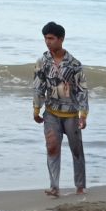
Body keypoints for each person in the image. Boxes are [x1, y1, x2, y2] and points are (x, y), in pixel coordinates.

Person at [32, 21, 89, 197]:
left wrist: (83, 114)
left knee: (76, 150)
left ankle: (80, 186)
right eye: (45, 38)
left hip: (71, 114)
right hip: (51, 113)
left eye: (51, 38)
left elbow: (82, 89)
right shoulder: (42, 61)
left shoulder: (74, 64)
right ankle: (54, 187)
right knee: (52, 147)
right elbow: (38, 86)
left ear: (61, 39)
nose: (47, 42)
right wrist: (36, 109)